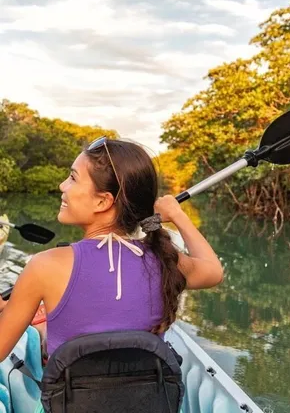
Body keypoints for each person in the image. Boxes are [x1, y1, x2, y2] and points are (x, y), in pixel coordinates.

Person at [0, 137, 224, 363]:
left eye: (72, 178)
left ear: (103, 202)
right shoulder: (164, 259)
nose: (62, 186)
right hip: (148, 396)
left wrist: (17, 307)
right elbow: (213, 271)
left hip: (73, 397)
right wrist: (177, 215)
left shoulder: (45, 266)